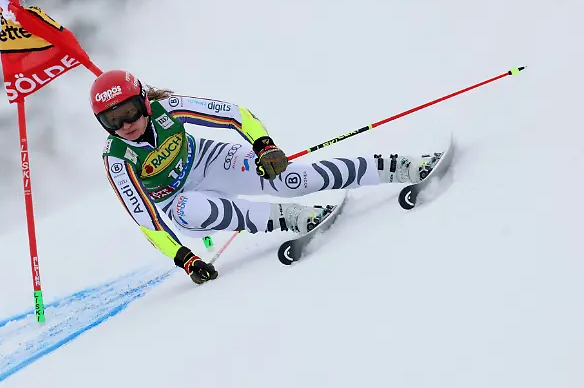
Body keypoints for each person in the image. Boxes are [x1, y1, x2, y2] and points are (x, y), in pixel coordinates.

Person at [92, 70, 441, 284]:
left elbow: (235, 115)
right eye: (112, 121)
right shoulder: (118, 158)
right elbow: (148, 221)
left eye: (129, 112)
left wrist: (264, 146)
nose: (126, 125)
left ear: (144, 102)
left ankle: (400, 166)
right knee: (193, 210)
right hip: (176, 200)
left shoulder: (169, 108)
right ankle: (295, 219)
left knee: (293, 180)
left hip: (208, 160)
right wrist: (186, 259)